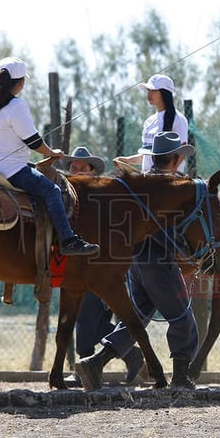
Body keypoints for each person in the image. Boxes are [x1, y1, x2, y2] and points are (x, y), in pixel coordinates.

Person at [76, 131, 199, 390]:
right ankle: (179, 377)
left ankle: (96, 363)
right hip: (159, 260)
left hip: (135, 262)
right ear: (176, 158)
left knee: (137, 317)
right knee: (182, 317)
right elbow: (171, 228)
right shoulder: (171, 187)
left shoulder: (140, 184)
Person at [0, 56, 98, 256]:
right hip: (12, 171)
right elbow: (33, 142)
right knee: (51, 190)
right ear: (21, 82)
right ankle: (68, 240)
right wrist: (52, 153)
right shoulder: (16, 106)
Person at [57, 147, 145, 388]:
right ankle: (130, 355)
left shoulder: (101, 199)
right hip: (79, 268)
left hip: (101, 268)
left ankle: (85, 369)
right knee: (90, 322)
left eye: (82, 167)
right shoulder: (68, 199)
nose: (76, 170)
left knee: (86, 322)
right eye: (73, 166)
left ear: (93, 171)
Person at [120, 74, 190, 173]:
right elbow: (147, 156)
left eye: (153, 90)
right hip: (148, 179)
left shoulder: (178, 119)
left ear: (165, 93)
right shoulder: (149, 121)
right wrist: (127, 161)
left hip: (169, 181)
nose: (149, 94)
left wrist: (171, 172)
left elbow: (182, 150)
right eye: (148, 90)